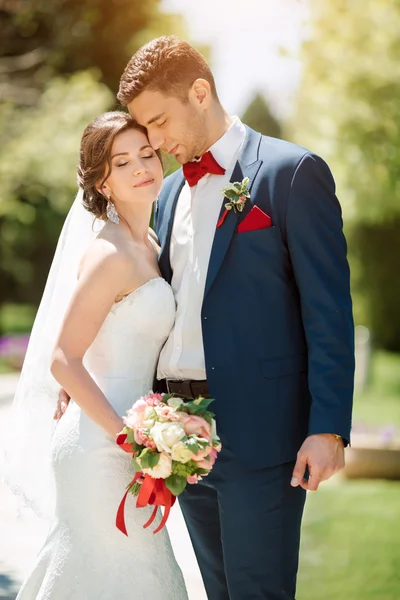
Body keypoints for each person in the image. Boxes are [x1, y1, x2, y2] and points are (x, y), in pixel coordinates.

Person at [115, 36, 354, 600]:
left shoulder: (291, 173)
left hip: (263, 436)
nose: (153, 142)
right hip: (179, 441)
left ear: (200, 92)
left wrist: (329, 427)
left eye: (158, 121)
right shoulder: (168, 193)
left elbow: (329, 312)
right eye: (143, 127)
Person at [10, 111, 188, 600]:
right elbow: (63, 358)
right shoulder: (109, 254)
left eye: (147, 155)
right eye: (122, 162)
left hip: (139, 442)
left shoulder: (149, 244)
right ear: (103, 183)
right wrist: (130, 438)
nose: (140, 168)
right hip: (100, 447)